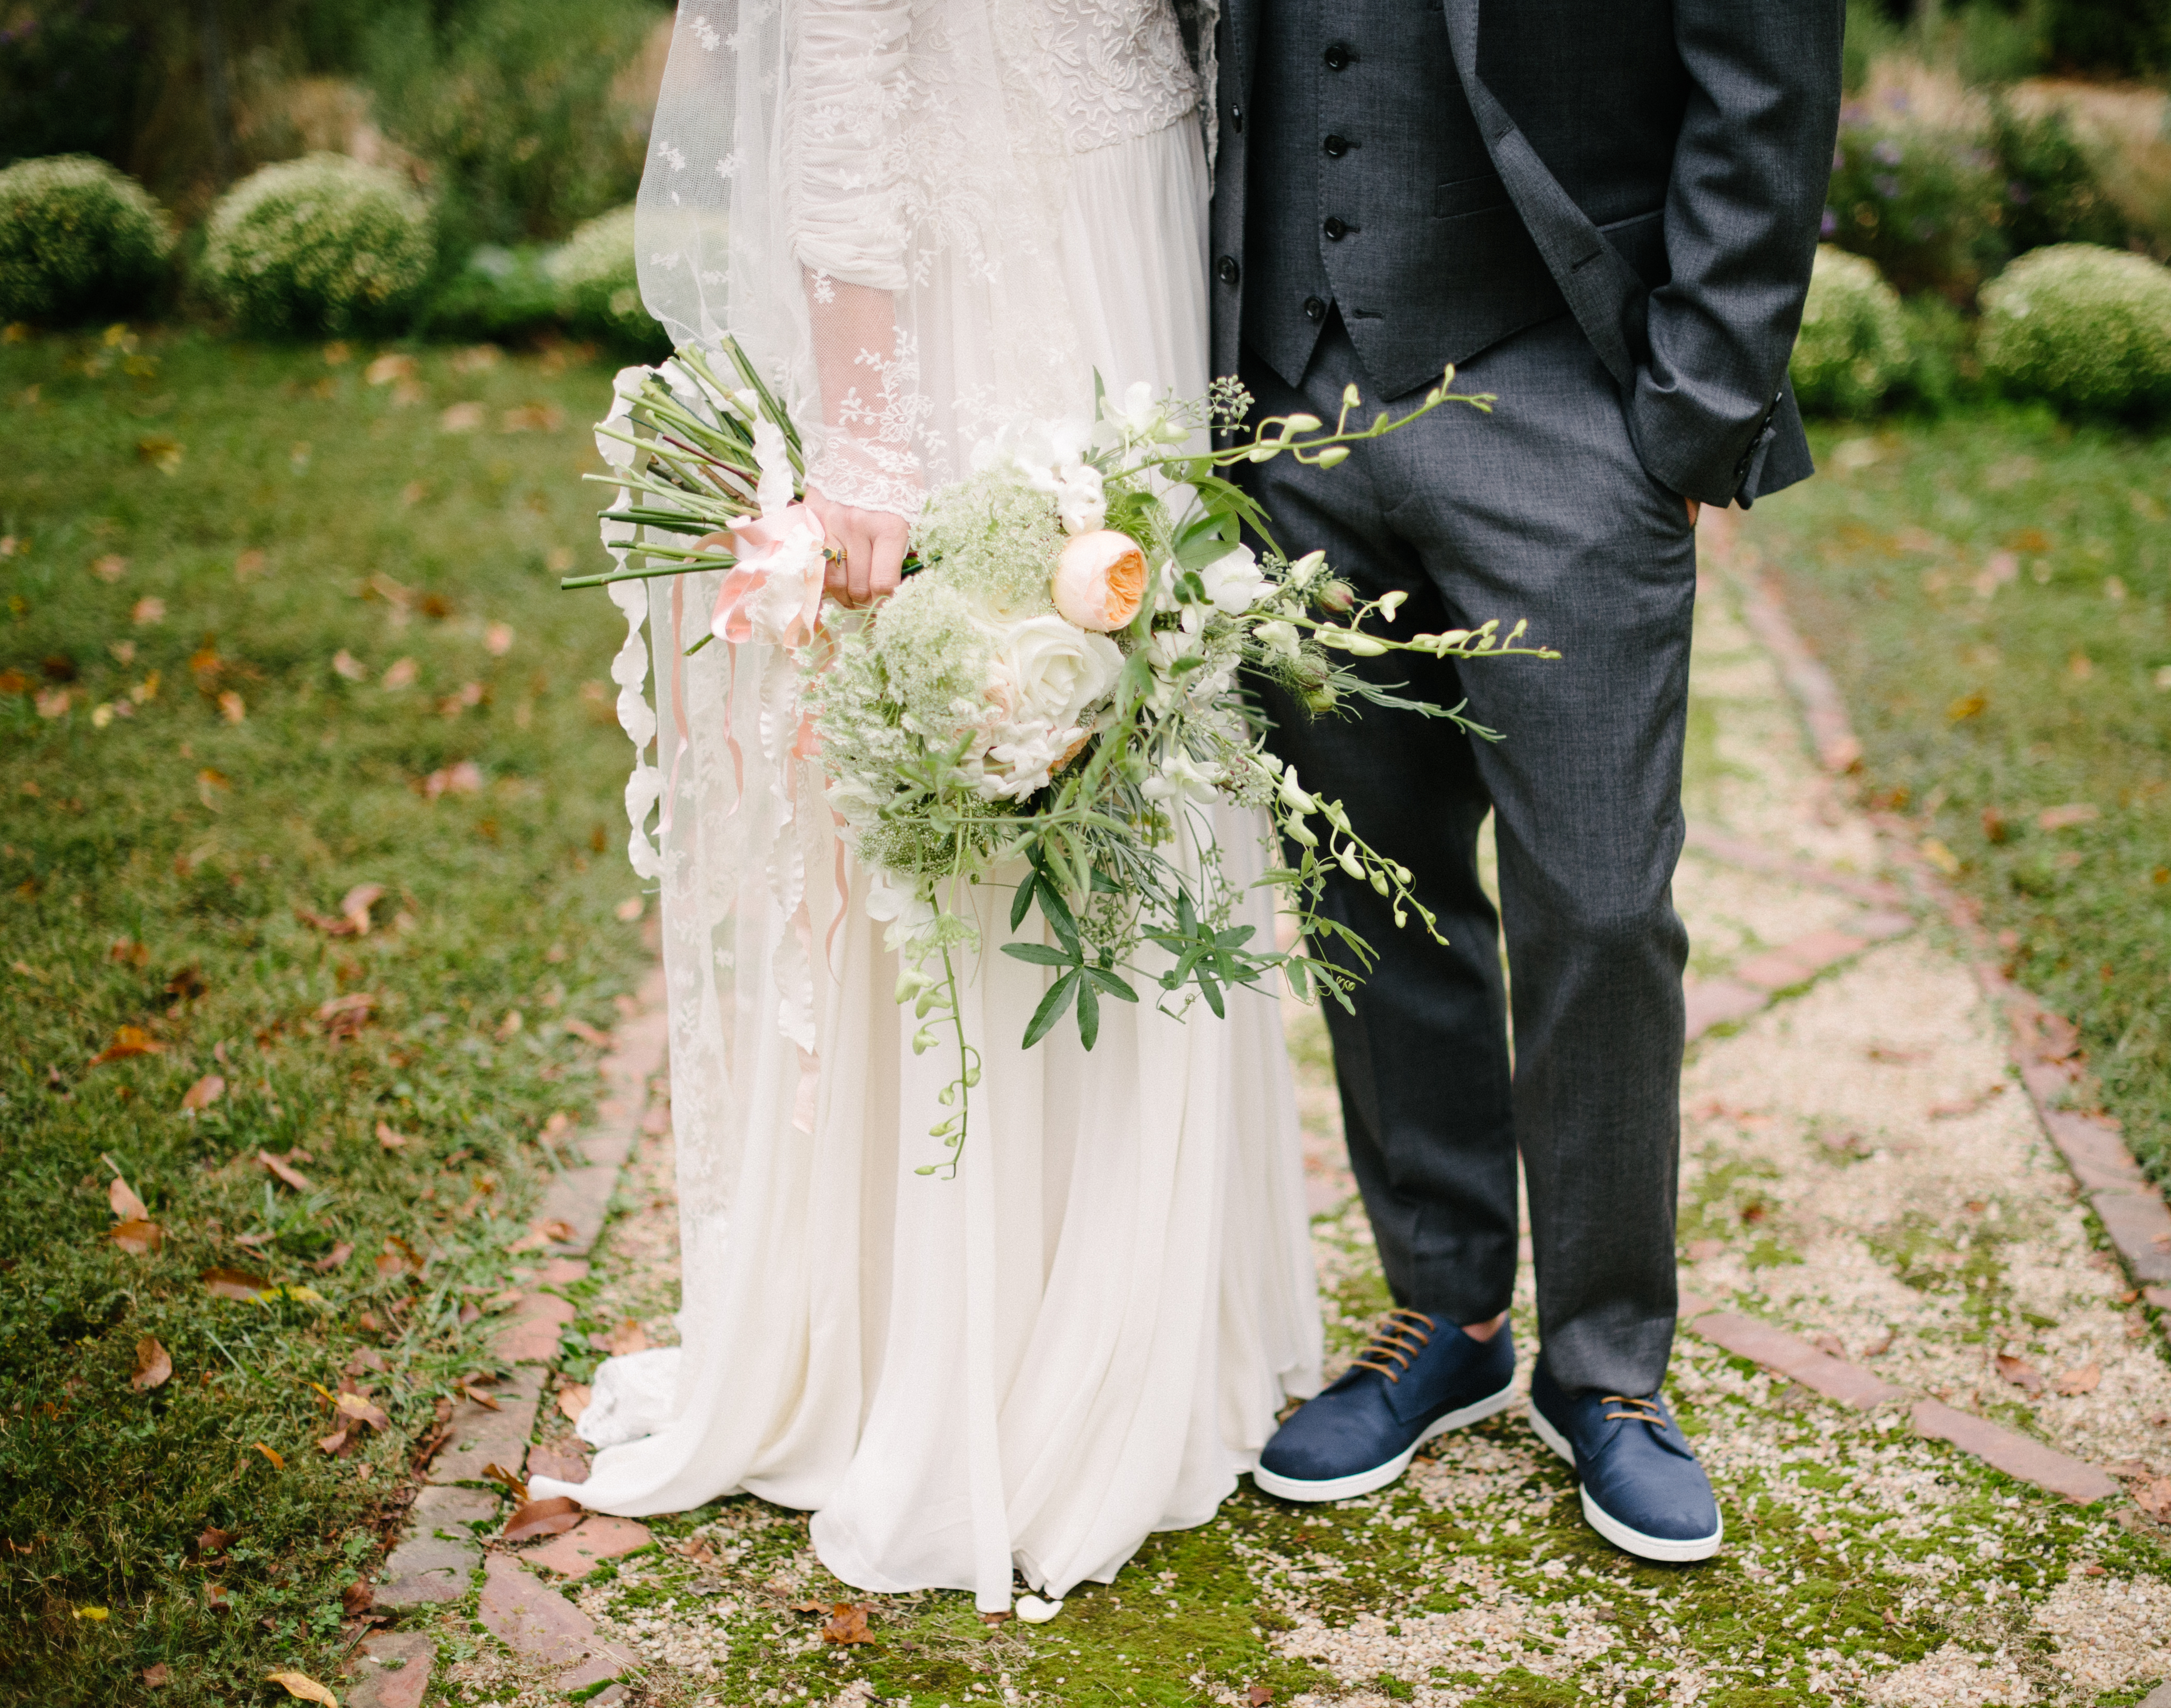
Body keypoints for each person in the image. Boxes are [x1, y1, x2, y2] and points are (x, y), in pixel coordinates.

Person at [528, 0, 1324, 1615]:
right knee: (1000, 743)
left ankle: (1143, 1316)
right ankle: (970, 1346)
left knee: (1144, 739)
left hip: (1142, 250)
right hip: (989, 288)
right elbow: (840, 65)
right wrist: (869, 445)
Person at [1214, 0, 1843, 1560]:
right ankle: (1446, 1311)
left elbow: (1768, 79)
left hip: (1565, 397)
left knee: (1606, 900)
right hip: (1286, 397)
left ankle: (1611, 1370)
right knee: (1372, 876)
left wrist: (1694, 412)